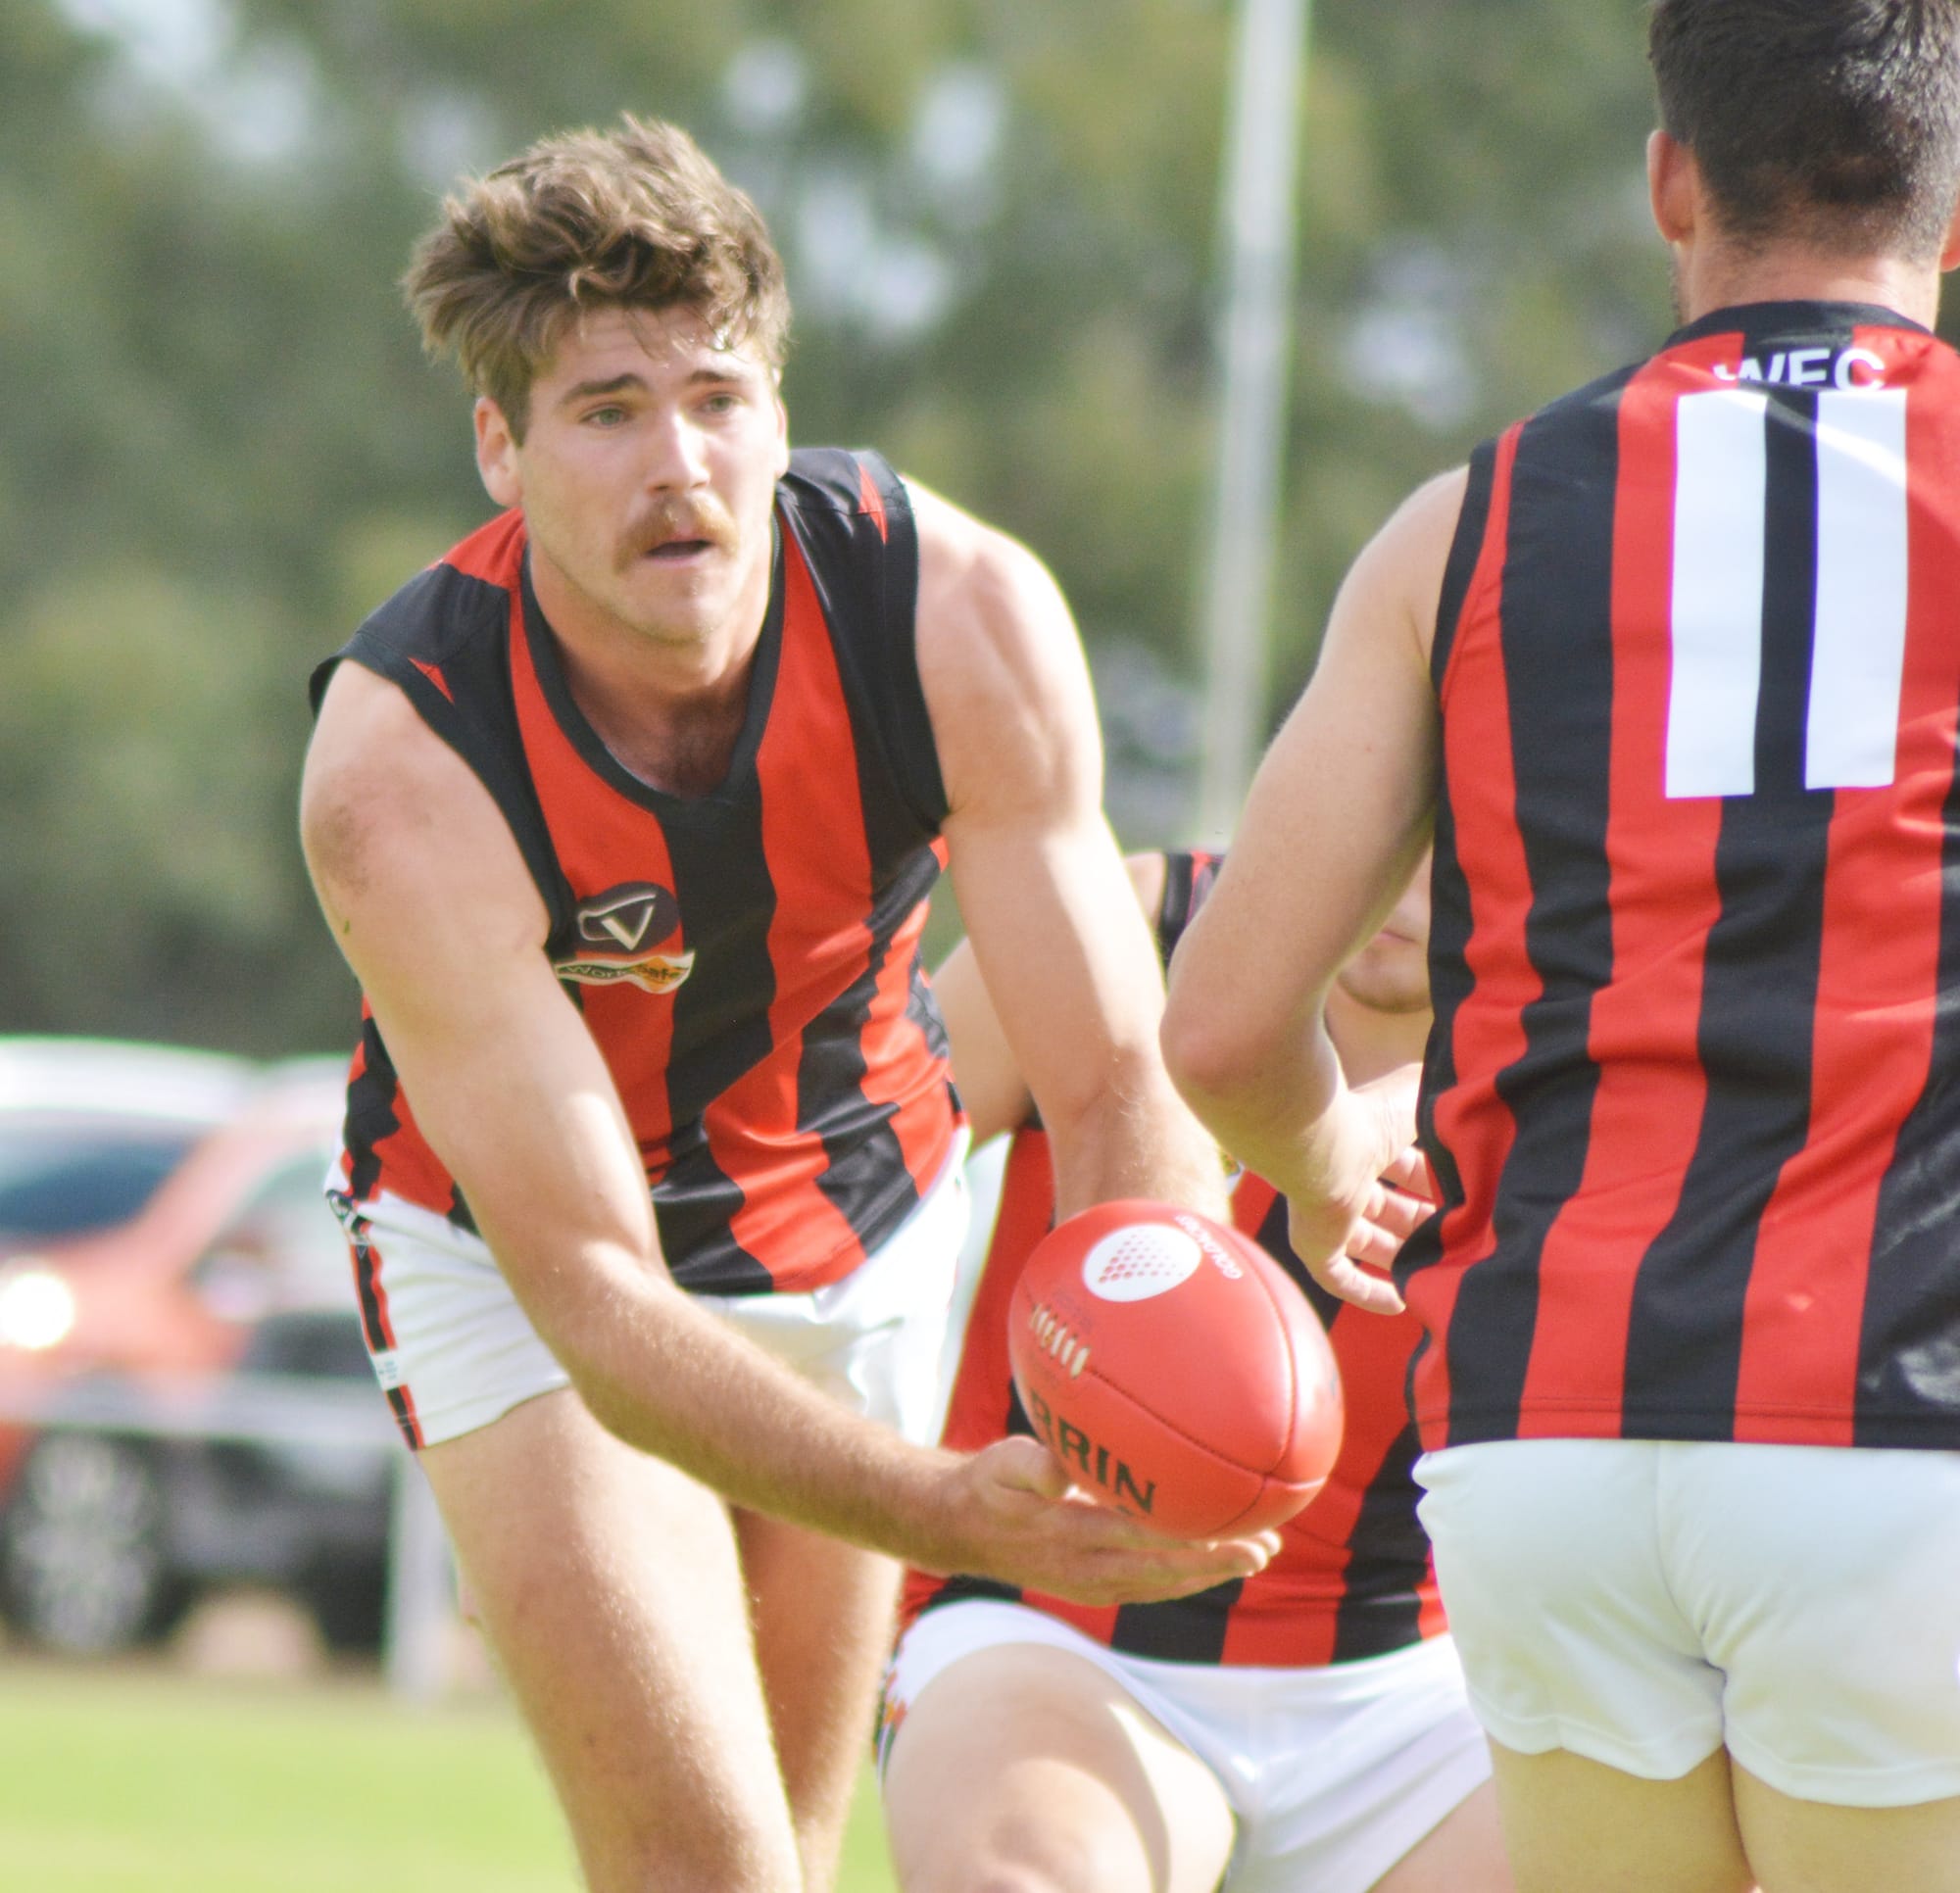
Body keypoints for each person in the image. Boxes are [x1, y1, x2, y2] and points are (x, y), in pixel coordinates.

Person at [298, 115, 1269, 1893]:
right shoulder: (402, 766)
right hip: (524, 1273)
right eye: (606, 410)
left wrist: (1171, 1380)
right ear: (501, 450)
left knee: (803, 1861)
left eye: (718, 395)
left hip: (866, 1216)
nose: (679, 463)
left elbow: (1119, 1081)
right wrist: (937, 1506)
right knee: (707, 1871)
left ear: (780, 405)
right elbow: (591, 1286)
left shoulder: (954, 610)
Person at [1160, 5, 1960, 1890]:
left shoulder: (1475, 516)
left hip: (1544, 1446)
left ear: (1671, 180)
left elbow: (1216, 1031)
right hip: (1894, 1420)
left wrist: (1329, 1162)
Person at [880, 849, 1513, 1893]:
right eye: (1392, 835)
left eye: (1456, 847)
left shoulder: (1576, 1047)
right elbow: (839, 1208)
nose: (1406, 889)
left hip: (1411, 1688)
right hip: (1052, 1631)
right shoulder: (1123, 930)